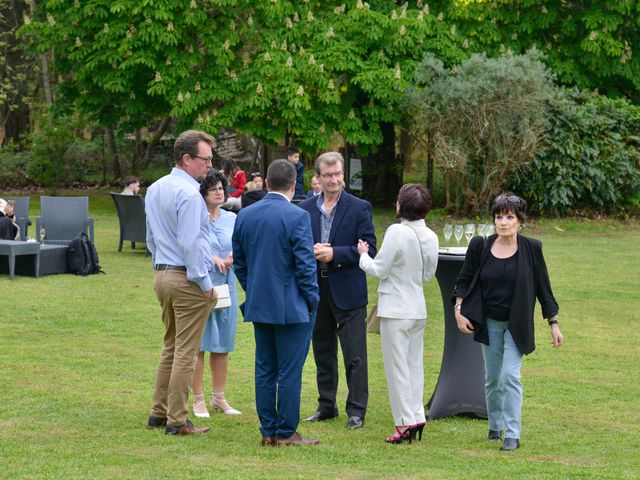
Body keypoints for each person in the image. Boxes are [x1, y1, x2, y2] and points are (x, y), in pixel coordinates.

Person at [453, 193, 564, 451]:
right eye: (499, 217)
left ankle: (512, 433)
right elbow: (464, 280)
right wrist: (459, 309)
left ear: (520, 221)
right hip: (489, 323)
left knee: (510, 375)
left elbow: (543, 289)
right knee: (492, 378)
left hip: (516, 324)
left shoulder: (532, 249)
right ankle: (495, 425)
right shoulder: (480, 246)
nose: (503, 222)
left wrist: (554, 323)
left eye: (509, 217)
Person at [232, 159, 320, 447]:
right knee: (290, 371)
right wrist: (312, 298)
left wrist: (254, 289)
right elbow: (305, 266)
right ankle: (285, 432)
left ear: (266, 182)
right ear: (294, 185)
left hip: (261, 302)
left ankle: (268, 430)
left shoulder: (245, 215)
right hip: (293, 306)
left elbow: (240, 263)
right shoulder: (297, 216)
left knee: (265, 368)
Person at [144, 130, 218, 436]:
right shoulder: (189, 194)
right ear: (187, 159)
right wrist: (204, 283)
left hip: (163, 274)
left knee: (171, 347)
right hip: (185, 277)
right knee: (185, 352)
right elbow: (190, 244)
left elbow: (150, 237)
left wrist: (160, 266)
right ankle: (176, 420)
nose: (209, 166)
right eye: (205, 160)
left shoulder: (156, 187)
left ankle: (158, 413)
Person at [299, 152, 377, 430]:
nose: (334, 180)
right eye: (328, 175)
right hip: (315, 289)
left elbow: (369, 247)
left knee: (354, 354)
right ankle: (326, 405)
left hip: (348, 288)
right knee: (322, 351)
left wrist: (335, 253)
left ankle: (356, 410)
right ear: (317, 178)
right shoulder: (305, 208)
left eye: (338, 174)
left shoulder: (359, 207)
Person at [357, 184, 439, 444]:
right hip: (418, 309)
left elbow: (379, 269)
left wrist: (362, 255)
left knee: (397, 369)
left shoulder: (396, 231)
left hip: (395, 309)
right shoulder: (431, 236)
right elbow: (427, 275)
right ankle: (416, 415)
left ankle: (404, 422)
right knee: (414, 366)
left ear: (401, 205)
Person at [191, 170, 241, 418]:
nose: (220, 192)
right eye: (214, 190)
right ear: (203, 194)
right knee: (199, 343)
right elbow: (188, 245)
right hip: (201, 286)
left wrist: (233, 256)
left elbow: (241, 245)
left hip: (226, 286)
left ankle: (219, 397)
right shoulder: (194, 218)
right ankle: (198, 399)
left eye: (222, 188)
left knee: (222, 342)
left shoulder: (232, 218)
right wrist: (211, 257)